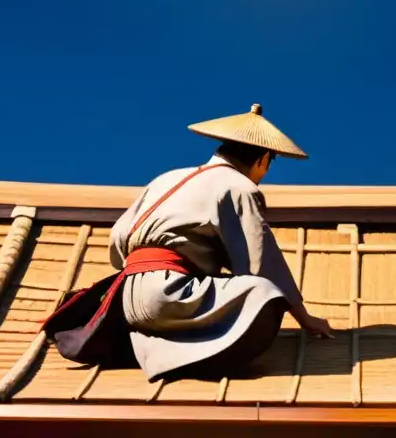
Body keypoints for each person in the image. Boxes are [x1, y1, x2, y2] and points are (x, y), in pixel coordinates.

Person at [106, 103, 333, 383]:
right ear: (263, 159)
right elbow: (259, 264)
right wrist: (304, 318)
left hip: (127, 300)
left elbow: (118, 243)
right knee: (264, 292)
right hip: (171, 297)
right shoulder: (240, 187)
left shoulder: (165, 178)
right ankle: (198, 358)